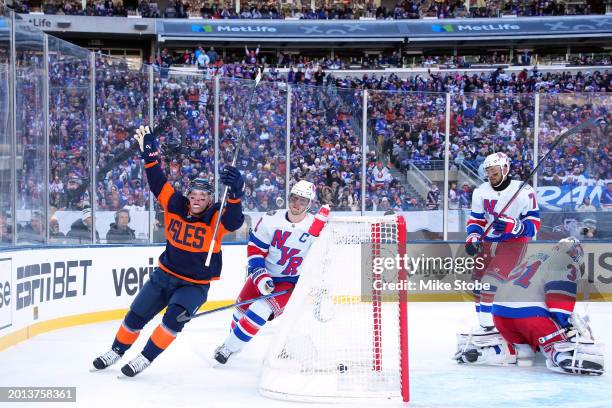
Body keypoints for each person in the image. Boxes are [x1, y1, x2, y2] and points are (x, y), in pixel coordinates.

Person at [92, 125, 245, 377]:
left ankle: (145, 357)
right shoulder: (174, 204)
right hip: (164, 276)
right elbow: (157, 182)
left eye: (203, 196)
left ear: (209, 200)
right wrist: (151, 158)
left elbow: (235, 221)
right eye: (193, 195)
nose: (197, 200)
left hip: (194, 285)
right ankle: (116, 351)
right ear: (188, 196)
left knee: (172, 321)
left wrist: (236, 195)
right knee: (135, 315)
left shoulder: (216, 216)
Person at [213, 180, 330, 364]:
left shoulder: (316, 227)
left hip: (288, 283)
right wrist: (260, 276)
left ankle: (227, 349)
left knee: (260, 309)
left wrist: (317, 282)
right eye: (294, 198)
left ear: (309, 204)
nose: (297, 204)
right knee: (240, 311)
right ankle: (233, 345)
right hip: (263, 273)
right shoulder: (270, 219)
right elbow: (255, 250)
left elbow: (320, 259)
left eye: (302, 201)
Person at [456, 238, 604, 376]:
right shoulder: (565, 260)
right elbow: (559, 302)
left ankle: (497, 351)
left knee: (525, 350)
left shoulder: (533, 257)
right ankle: (562, 357)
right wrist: (566, 325)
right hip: (531, 318)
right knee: (558, 342)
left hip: (500, 315)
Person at [457, 152, 540, 361]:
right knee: (477, 285)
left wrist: (515, 226)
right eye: (488, 173)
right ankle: (486, 327)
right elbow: (476, 219)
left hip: (514, 243)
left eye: (494, 172)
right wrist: (473, 236)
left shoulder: (524, 191)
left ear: (505, 169)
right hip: (488, 241)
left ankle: (491, 329)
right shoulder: (481, 192)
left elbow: (534, 225)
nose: (490, 176)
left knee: (490, 283)